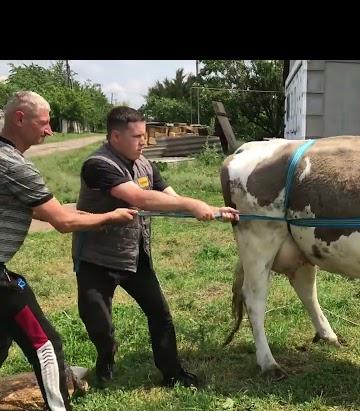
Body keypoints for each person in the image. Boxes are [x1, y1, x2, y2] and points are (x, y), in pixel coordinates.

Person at [72, 106, 238, 388]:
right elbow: (140, 198)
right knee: (98, 322)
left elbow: (169, 196)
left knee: (159, 313)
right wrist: (191, 205)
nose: (144, 141)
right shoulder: (98, 165)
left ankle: (172, 373)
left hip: (134, 255)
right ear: (115, 136)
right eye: (137, 136)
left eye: (144, 134)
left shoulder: (144, 164)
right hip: (96, 258)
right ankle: (106, 354)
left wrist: (211, 210)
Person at [0, 91, 137, 411]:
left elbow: (31, 209)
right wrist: (110, 217)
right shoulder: (13, 165)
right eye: (44, 123)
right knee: (45, 344)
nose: (50, 131)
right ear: (20, 119)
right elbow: (63, 221)